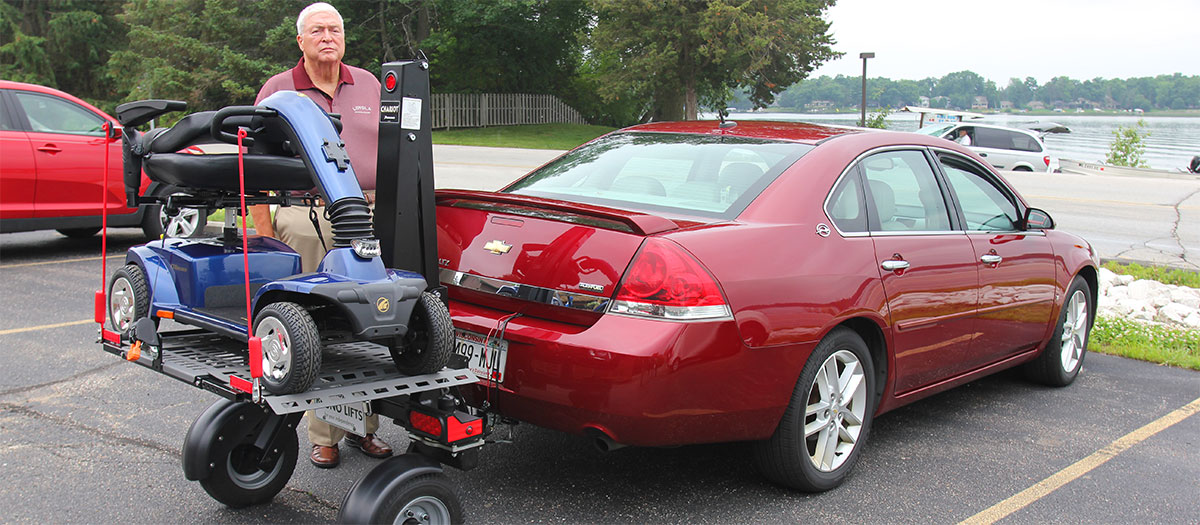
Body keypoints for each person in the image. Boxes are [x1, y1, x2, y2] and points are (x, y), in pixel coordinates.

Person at [252, 1, 391, 469]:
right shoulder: (278, 91)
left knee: (371, 321)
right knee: (315, 326)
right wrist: (267, 233)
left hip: (367, 219)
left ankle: (364, 427)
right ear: (301, 41)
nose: (328, 37)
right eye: (317, 31)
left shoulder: (370, 84)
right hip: (305, 218)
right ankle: (324, 435)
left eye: (335, 29)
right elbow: (253, 169)